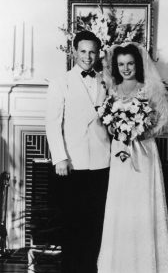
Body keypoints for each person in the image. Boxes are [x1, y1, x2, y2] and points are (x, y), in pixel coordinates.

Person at [97, 43, 168, 273]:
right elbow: (107, 122)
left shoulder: (148, 89)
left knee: (141, 203)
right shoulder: (112, 90)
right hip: (119, 154)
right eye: (121, 64)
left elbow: (162, 123)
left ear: (138, 64)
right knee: (120, 204)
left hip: (143, 153)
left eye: (130, 63)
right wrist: (117, 130)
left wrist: (139, 132)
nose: (126, 68)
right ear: (116, 66)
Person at [45, 30, 110, 273]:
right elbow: (53, 123)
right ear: (74, 52)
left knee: (95, 224)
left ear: (98, 53)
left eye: (92, 51)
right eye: (83, 51)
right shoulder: (60, 82)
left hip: (102, 162)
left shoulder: (105, 81)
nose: (88, 56)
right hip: (72, 163)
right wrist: (60, 157)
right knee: (72, 225)